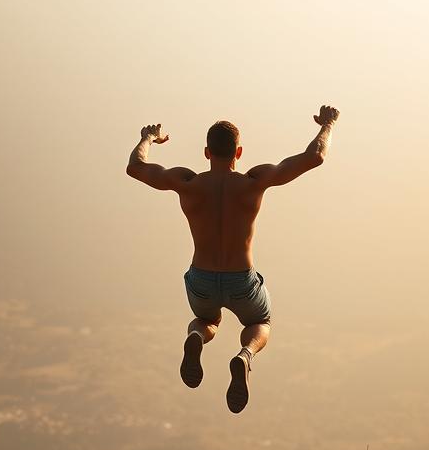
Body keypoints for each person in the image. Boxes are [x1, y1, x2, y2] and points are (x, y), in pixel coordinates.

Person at [126, 105, 339, 413]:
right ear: (238, 152)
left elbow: (136, 167)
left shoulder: (188, 183)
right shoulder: (254, 182)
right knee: (259, 321)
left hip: (201, 278)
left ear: (206, 152)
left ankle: (197, 336)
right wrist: (328, 125)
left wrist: (148, 137)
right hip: (242, 280)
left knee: (207, 319)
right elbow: (315, 156)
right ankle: (245, 356)